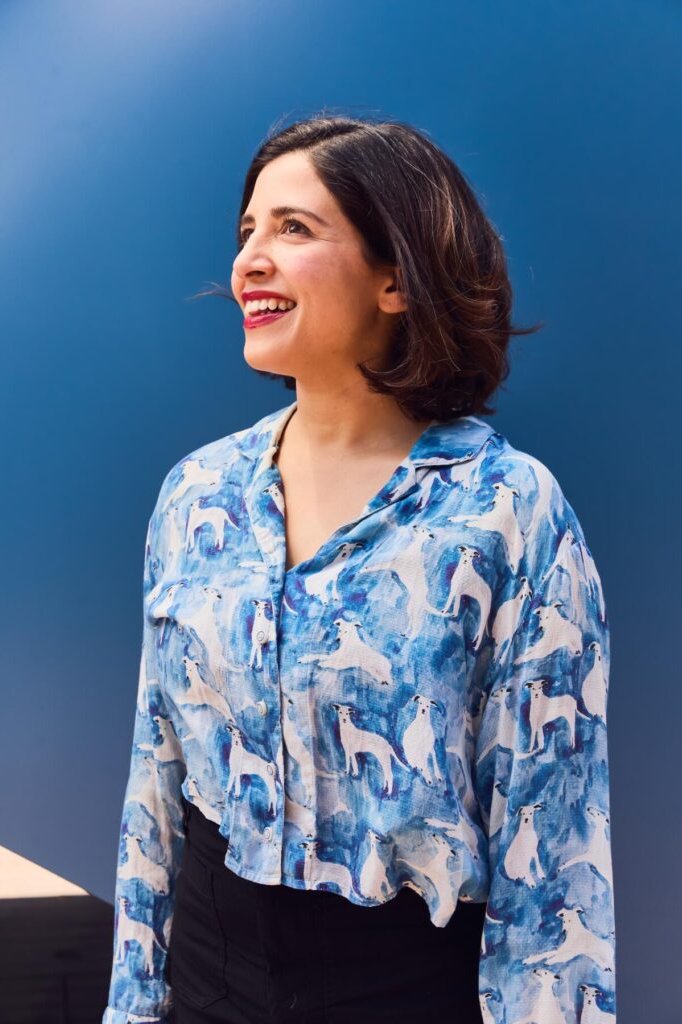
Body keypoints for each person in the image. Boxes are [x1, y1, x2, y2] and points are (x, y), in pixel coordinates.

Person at [102, 114, 616, 1024]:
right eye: (246, 232)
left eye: (293, 229)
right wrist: (134, 1004)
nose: (249, 260)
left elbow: (554, 844)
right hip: (209, 980)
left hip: (405, 988)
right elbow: (157, 777)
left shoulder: (505, 509)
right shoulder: (198, 496)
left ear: (394, 276)